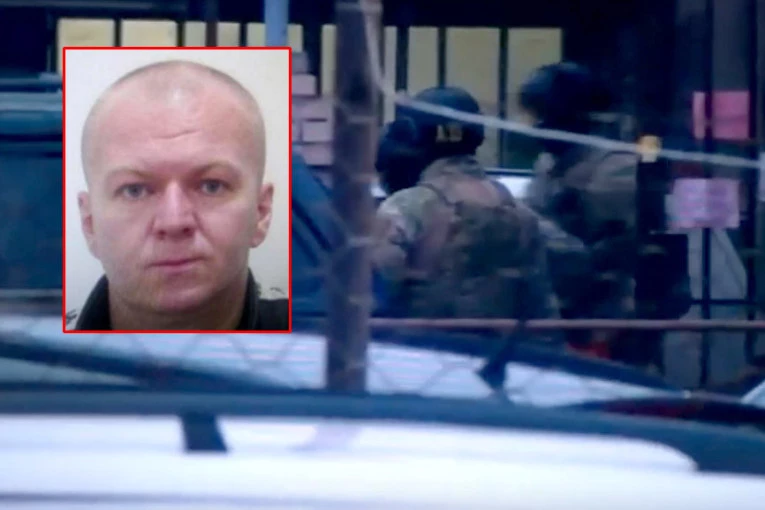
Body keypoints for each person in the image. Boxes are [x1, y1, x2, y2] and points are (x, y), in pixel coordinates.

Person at [66, 59, 288, 331]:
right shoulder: (28, 351)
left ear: (261, 212)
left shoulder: (322, 344)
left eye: (211, 186)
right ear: (90, 224)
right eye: (135, 190)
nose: (173, 222)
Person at [518, 61, 691, 365]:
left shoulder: (615, 167)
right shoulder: (550, 163)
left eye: (544, 114)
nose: (537, 126)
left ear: (569, 114)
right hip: (564, 315)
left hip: (610, 323)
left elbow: (607, 257)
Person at [371, 86, 559, 327]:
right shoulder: (520, 212)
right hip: (500, 349)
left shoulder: (406, 207)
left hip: (420, 347)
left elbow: (371, 288)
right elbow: (543, 307)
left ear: (413, 136)